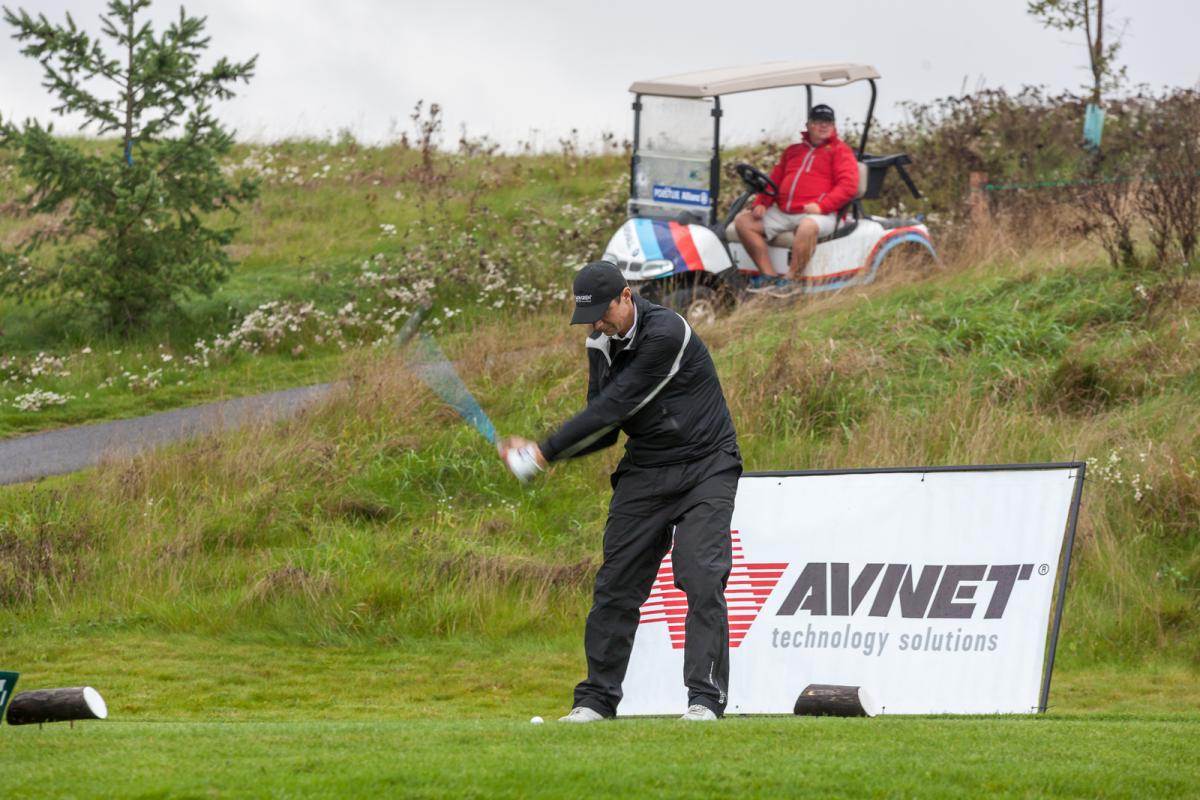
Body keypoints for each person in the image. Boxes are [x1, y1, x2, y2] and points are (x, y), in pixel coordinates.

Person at [497, 261, 742, 723]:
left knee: (701, 576)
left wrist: (542, 452)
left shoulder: (667, 332)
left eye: (602, 314)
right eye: (588, 318)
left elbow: (615, 405)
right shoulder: (600, 343)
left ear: (626, 297)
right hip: (646, 470)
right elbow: (606, 430)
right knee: (616, 585)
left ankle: (705, 700)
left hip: (706, 465)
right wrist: (543, 455)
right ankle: (594, 701)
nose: (595, 326)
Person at [733, 103, 859, 295]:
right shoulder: (793, 151)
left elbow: (848, 186)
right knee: (743, 222)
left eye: (828, 122)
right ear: (808, 125)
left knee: (807, 226)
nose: (823, 125)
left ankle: (792, 279)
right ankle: (769, 276)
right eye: (818, 121)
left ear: (833, 126)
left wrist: (822, 206)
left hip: (822, 213)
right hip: (785, 211)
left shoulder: (840, 151)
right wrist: (761, 203)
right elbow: (774, 179)